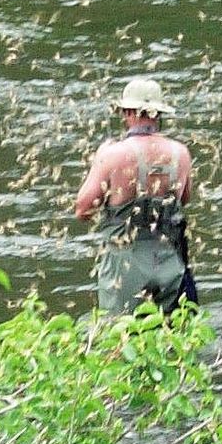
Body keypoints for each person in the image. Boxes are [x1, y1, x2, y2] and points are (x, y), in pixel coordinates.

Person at [75, 77, 196, 315]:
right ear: (158, 114)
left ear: (128, 112)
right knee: (172, 337)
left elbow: (83, 210)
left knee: (120, 339)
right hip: (169, 262)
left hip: (124, 266)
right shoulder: (181, 154)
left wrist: (99, 158)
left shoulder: (113, 154)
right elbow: (184, 200)